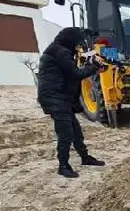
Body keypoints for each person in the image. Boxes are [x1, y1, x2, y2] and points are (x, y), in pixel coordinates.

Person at [37, 27, 107, 178]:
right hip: (54, 97)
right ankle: (63, 166)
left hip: (60, 97)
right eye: (77, 43)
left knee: (76, 131)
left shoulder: (61, 51)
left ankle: (85, 158)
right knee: (66, 133)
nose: (78, 46)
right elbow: (75, 74)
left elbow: (71, 74)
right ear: (70, 40)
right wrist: (94, 66)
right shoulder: (59, 52)